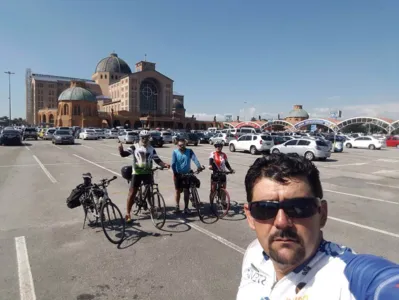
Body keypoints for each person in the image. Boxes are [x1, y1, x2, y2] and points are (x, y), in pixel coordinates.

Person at [237, 153, 399, 300]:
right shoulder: (254, 252)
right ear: (250, 216)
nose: (281, 221)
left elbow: (385, 283)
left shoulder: (347, 277)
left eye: (299, 207)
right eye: (265, 209)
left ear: (322, 214)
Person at [119, 130, 170, 222]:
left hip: (148, 173)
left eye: (146, 138)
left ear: (149, 138)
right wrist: (120, 150)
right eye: (143, 137)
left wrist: (164, 164)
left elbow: (157, 160)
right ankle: (128, 213)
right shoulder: (134, 147)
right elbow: (124, 154)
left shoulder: (151, 148)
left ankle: (152, 210)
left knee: (149, 193)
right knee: (132, 193)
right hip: (137, 173)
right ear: (140, 137)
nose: (144, 139)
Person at [171, 138, 203, 214]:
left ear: (185, 144)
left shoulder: (189, 151)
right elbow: (173, 163)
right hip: (178, 174)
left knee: (186, 191)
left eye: (182, 145)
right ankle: (177, 206)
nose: (181, 146)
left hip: (187, 174)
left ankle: (186, 207)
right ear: (177, 145)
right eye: (179, 145)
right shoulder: (175, 152)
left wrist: (199, 166)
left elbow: (194, 159)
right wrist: (175, 172)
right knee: (178, 191)